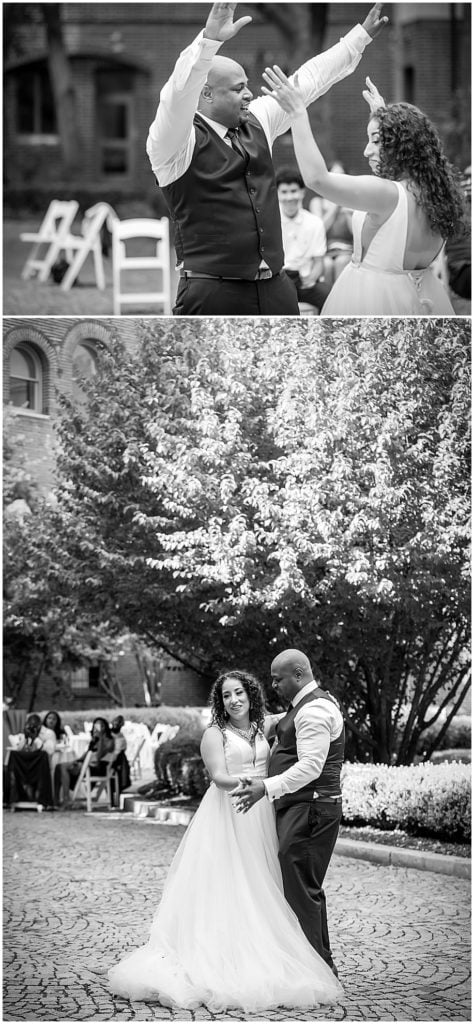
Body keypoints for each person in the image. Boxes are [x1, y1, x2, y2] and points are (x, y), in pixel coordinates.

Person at [108, 670, 343, 1012]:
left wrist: (327, 703)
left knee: (265, 882)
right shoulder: (214, 735)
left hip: (261, 814)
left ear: (250, 695)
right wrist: (253, 784)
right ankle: (221, 958)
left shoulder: (263, 726)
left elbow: (300, 715)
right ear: (220, 703)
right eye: (226, 696)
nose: (233, 700)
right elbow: (218, 777)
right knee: (229, 883)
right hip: (230, 812)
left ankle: (270, 950)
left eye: (239, 693)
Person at [147, 1, 388, 316]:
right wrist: (208, 42)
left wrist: (359, 38)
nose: (249, 94)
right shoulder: (175, 143)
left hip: (276, 286)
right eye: (238, 89)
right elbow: (176, 96)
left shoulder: (258, 119)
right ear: (205, 95)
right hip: (212, 292)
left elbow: (309, 80)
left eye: (248, 86)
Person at [261, 68, 466, 314]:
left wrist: (297, 113)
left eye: (376, 141)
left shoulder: (387, 195)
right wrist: (382, 117)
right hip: (423, 298)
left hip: (373, 300)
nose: (366, 151)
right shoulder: (437, 193)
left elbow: (316, 179)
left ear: (400, 145)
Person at [235, 650, 344, 976]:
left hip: (311, 808)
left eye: (277, 678)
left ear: (298, 674)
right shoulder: (305, 707)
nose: (273, 684)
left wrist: (265, 788)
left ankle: (317, 973)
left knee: (301, 890)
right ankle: (315, 966)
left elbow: (311, 766)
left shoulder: (314, 711)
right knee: (300, 887)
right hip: (304, 806)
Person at [276, 166, 331, 312]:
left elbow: (319, 262)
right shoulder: (269, 222)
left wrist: (311, 279)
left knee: (330, 298)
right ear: (277, 194)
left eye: (293, 191)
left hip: (304, 281)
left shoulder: (315, 223)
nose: (289, 197)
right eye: (284, 192)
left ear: (302, 192)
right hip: (278, 280)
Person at [54, 716, 114, 808]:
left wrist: (101, 738)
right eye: (96, 726)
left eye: (101, 726)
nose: (97, 728)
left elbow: (99, 756)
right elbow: (86, 755)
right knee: (59, 766)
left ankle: (66, 799)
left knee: (63, 767)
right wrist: (77, 761)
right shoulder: (94, 740)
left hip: (98, 767)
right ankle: (56, 799)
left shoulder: (109, 741)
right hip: (87, 765)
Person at [5, 713, 57, 808]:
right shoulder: (23, 734)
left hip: (41, 768)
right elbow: (16, 748)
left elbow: (50, 751)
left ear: (40, 725)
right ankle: (14, 798)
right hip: (23, 768)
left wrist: (37, 740)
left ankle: (43, 799)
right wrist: (25, 738)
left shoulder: (48, 733)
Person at [110, 714, 131, 796]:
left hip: (117, 760)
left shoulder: (119, 736)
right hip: (115, 759)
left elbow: (122, 748)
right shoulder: (112, 735)